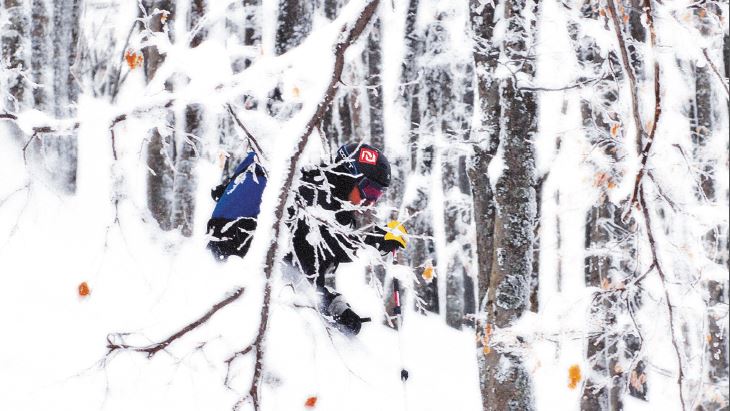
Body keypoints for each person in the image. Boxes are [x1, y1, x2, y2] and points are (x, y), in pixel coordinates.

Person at [207, 142, 407, 334]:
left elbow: (301, 277)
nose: (369, 203)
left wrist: (336, 307)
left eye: (376, 197)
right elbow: (336, 243)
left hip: (245, 286)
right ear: (348, 175)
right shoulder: (311, 192)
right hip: (239, 295)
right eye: (369, 192)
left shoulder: (320, 196)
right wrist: (375, 240)